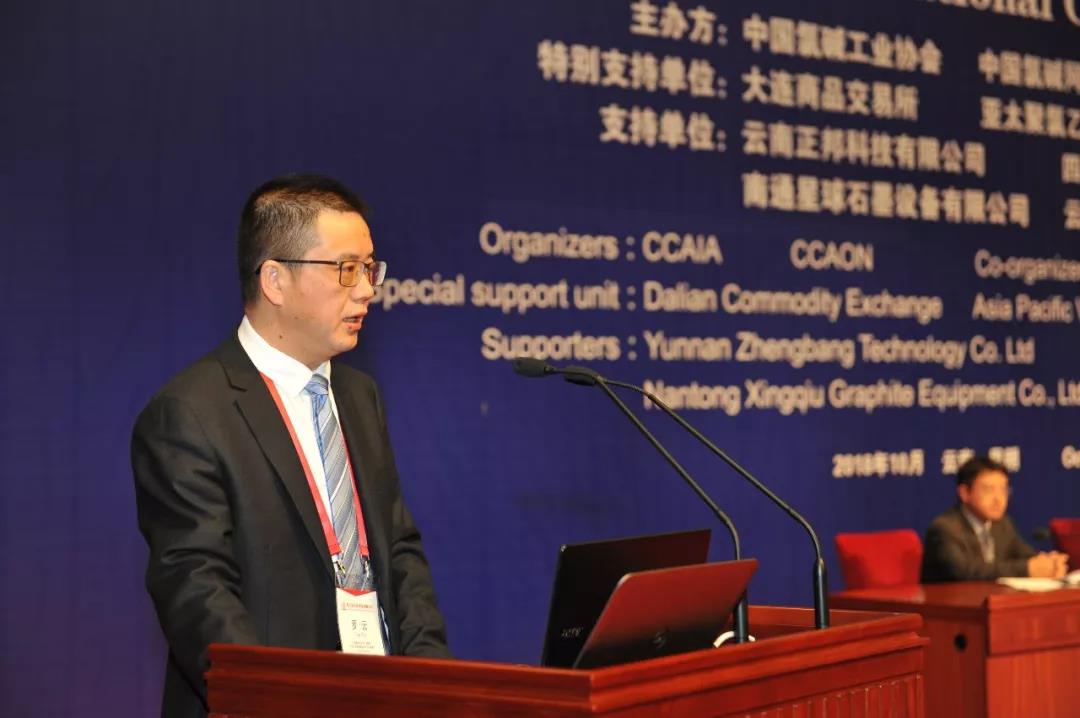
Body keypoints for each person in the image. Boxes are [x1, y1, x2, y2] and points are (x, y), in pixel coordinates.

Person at [132, 174, 450, 718]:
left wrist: (431, 689)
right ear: (275, 280)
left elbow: (399, 552)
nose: (367, 289)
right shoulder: (190, 413)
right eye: (346, 269)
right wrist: (277, 701)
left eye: (370, 268)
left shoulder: (359, 395)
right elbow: (197, 589)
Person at [921, 455, 1067, 582]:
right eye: (989, 490)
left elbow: (1026, 556)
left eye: (1003, 490)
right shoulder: (944, 529)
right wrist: (1026, 569)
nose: (998, 499)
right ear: (964, 493)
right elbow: (965, 571)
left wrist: (1049, 564)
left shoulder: (1003, 524)